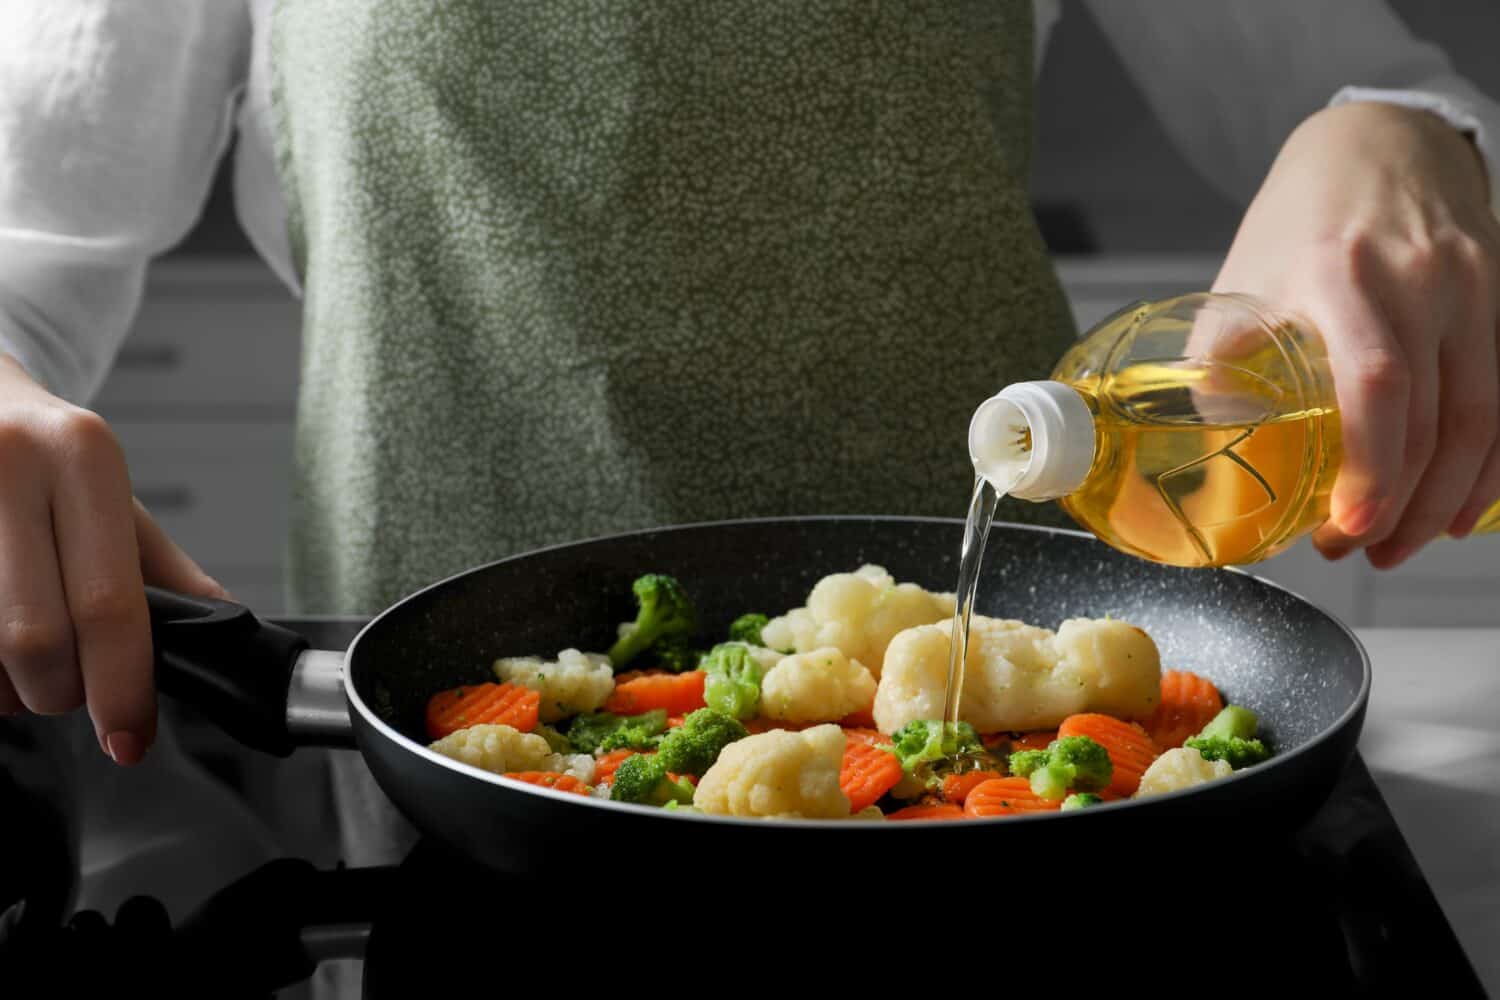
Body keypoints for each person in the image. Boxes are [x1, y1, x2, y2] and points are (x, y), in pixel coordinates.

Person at [1, 0, 1498, 974]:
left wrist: (1398, 137)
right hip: (475, 820)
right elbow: (27, 252)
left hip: (1021, 874)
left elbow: (1369, 85)